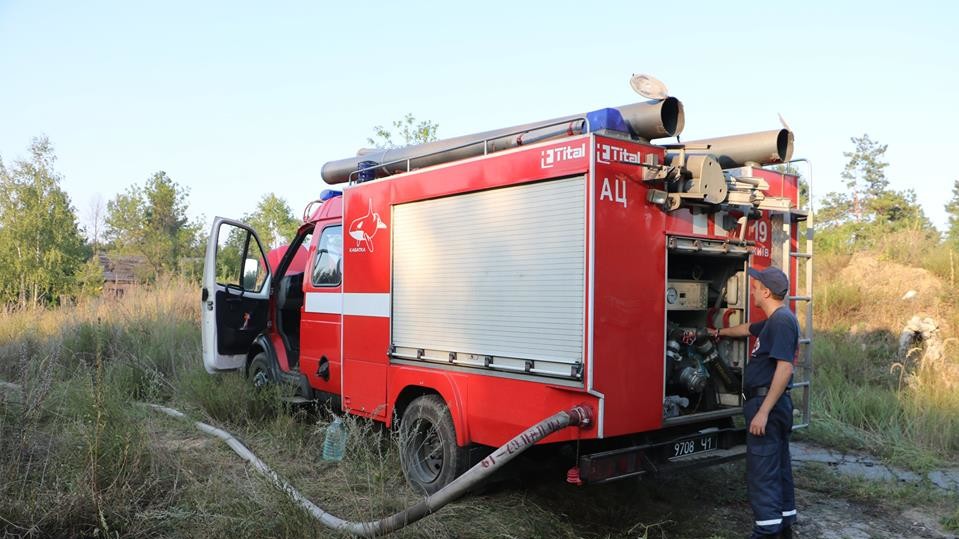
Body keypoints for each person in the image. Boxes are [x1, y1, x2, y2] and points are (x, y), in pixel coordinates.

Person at [710, 266, 798, 539]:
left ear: (767, 291)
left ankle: (766, 530)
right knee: (778, 467)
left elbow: (785, 369)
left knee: (763, 474)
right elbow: (748, 329)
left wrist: (763, 411)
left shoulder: (782, 321)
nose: (753, 289)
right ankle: (783, 527)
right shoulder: (774, 321)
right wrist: (717, 333)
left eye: (756, 285)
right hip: (770, 406)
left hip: (767, 407)